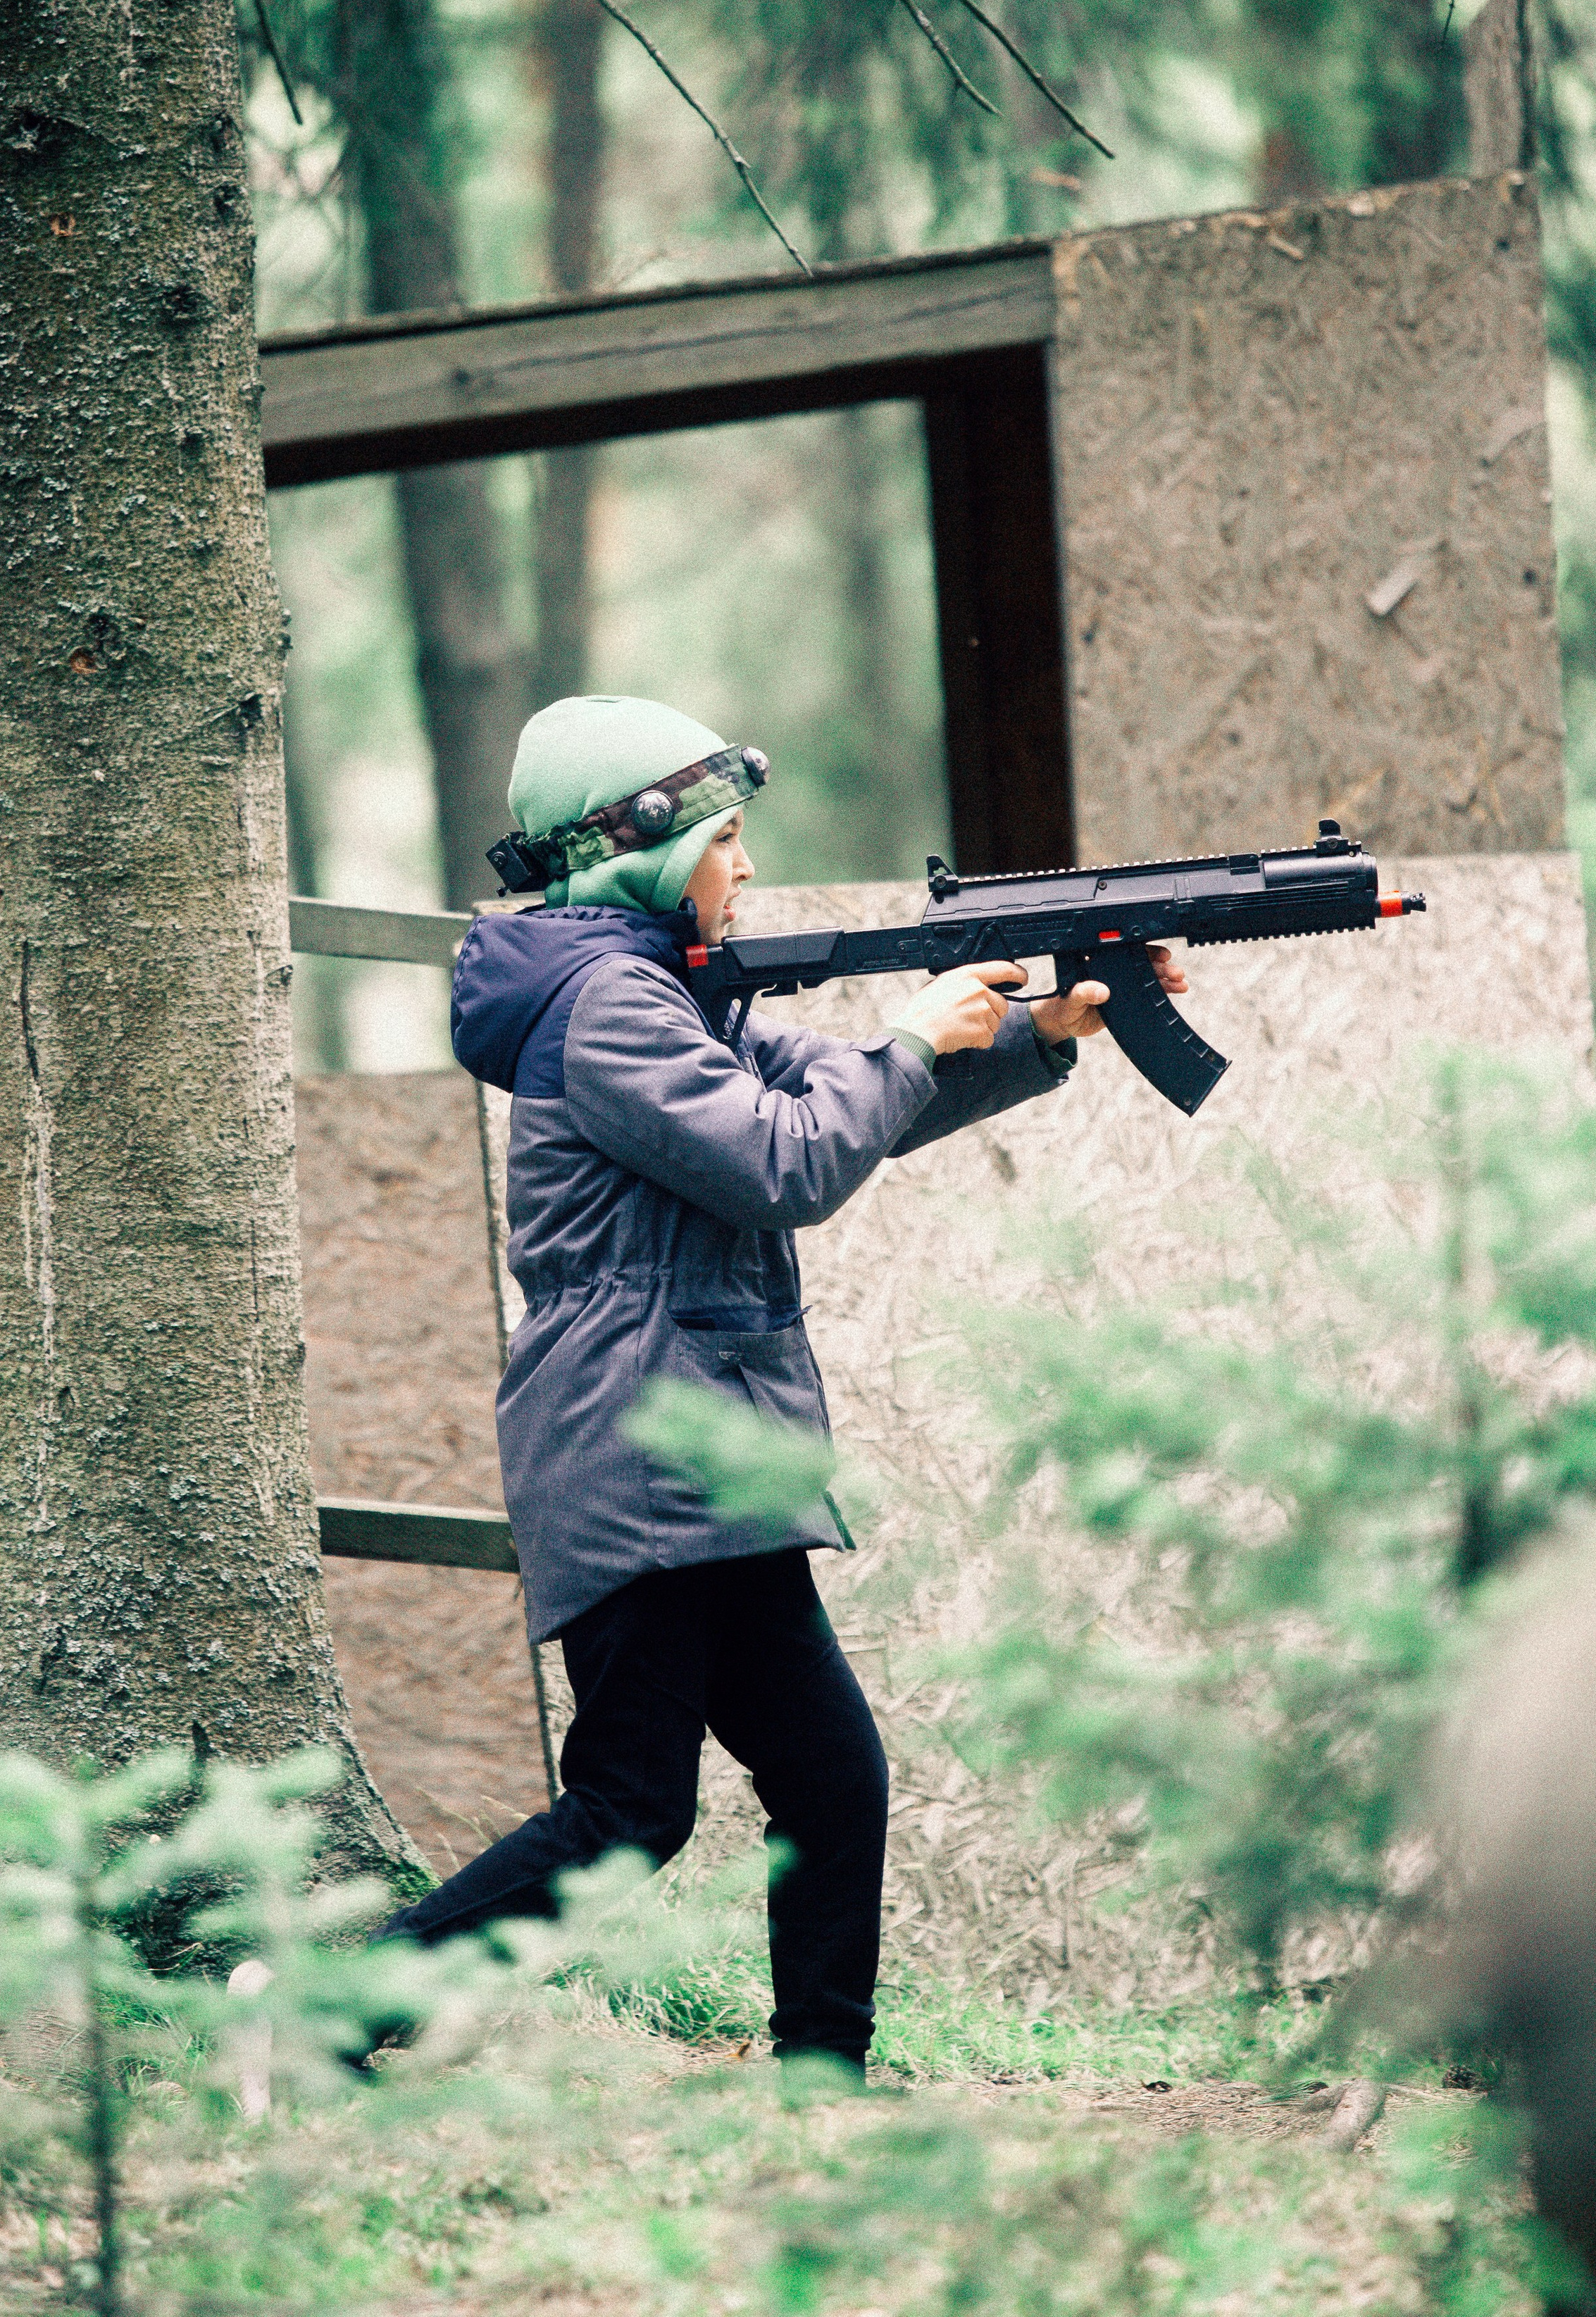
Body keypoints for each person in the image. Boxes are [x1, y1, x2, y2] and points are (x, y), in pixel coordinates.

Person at [375, 694, 1186, 2074]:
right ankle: (332, 2012)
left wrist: (1040, 1029)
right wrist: (920, 1033)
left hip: (708, 1439)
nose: (745, 868)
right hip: (636, 1441)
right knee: (630, 1811)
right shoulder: (606, 1009)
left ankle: (822, 2076)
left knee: (825, 1774)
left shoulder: (666, 992)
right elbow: (786, 1163)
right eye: (726, 839)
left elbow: (843, 1095)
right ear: (640, 849)